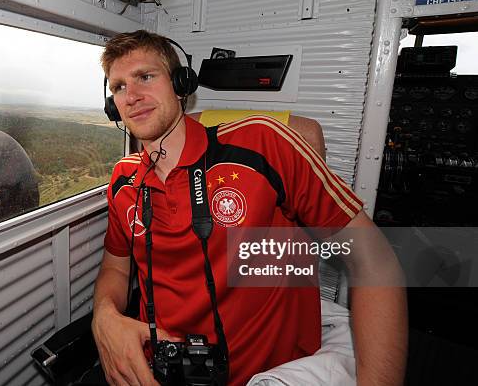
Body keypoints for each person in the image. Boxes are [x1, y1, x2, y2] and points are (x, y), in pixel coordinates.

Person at [92, 30, 407, 386]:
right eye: (118, 87)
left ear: (181, 84)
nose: (132, 96)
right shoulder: (122, 179)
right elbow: (116, 269)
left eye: (145, 77)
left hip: (267, 373)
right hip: (166, 368)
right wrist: (104, 316)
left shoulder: (262, 144)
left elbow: (373, 260)